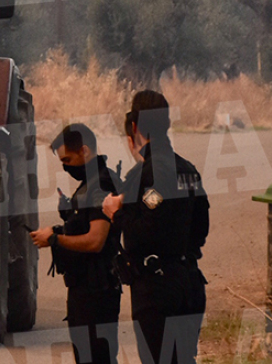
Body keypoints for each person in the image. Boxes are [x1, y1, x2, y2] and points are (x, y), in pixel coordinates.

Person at [103, 91, 209, 364]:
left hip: (157, 291)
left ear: (134, 128)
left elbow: (145, 230)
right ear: (167, 124)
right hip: (189, 284)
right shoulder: (187, 170)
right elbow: (201, 229)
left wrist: (118, 213)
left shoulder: (143, 175)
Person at [31, 124, 122, 364]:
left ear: (85, 151)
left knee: (97, 357)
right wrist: (67, 221)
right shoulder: (90, 184)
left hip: (97, 292)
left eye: (67, 159)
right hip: (85, 289)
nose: (65, 166)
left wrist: (54, 238)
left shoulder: (100, 185)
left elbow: (96, 241)